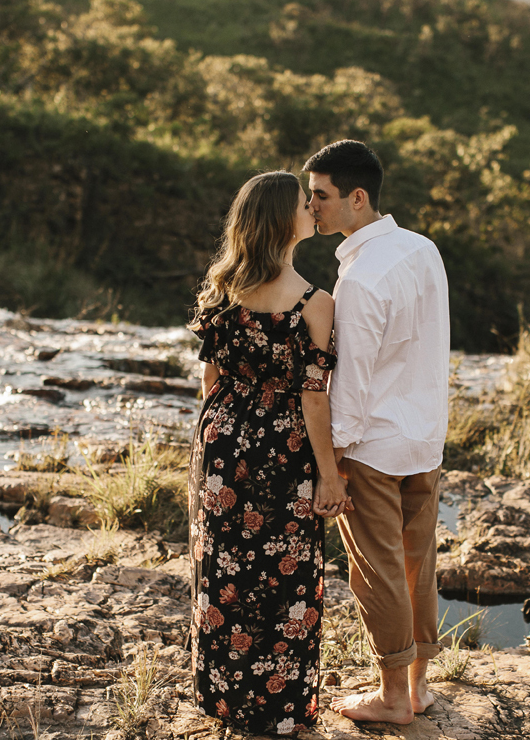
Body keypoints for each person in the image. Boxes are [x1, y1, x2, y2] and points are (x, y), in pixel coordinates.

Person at [187, 170, 351, 735]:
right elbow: (313, 400)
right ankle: (277, 706)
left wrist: (227, 433)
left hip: (223, 439)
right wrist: (330, 477)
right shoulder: (314, 302)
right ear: (284, 220)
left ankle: (225, 697)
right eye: (304, 204)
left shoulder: (225, 288)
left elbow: (211, 378)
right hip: (284, 448)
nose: (312, 208)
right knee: (286, 574)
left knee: (222, 565)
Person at [303, 140, 450, 724]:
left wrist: (330, 464)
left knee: (379, 572)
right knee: (418, 563)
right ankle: (416, 687)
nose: (311, 206)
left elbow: (353, 383)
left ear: (357, 198)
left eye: (321, 196)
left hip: (375, 447)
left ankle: (392, 700)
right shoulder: (423, 249)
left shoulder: (360, 279)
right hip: (424, 439)